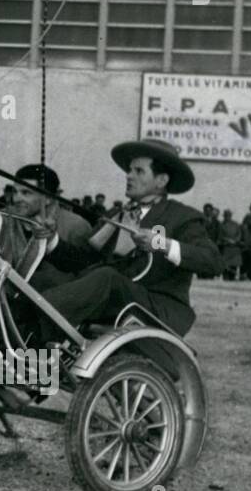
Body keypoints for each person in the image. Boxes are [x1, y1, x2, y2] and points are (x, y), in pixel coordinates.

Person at [34, 139, 222, 341]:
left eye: (138, 171)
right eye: (129, 170)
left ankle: (37, 321)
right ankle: (15, 336)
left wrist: (161, 244)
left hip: (155, 309)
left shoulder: (182, 216)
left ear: (161, 181)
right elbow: (85, 260)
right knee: (43, 278)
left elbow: (213, 262)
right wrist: (51, 239)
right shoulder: (116, 215)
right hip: (112, 297)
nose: (128, 176)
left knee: (107, 276)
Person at [7, 163, 92, 285]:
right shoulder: (8, 219)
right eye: (15, 192)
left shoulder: (76, 226)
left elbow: (85, 276)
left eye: (26, 193)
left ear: (48, 198)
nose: (16, 199)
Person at [218, 208, 242, 280]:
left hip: (234, 248)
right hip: (226, 248)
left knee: (234, 266)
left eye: (228, 215)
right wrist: (227, 240)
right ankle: (226, 279)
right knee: (225, 266)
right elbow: (220, 235)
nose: (227, 217)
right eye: (226, 215)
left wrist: (235, 240)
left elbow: (239, 234)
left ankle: (233, 278)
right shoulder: (221, 225)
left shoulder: (235, 224)